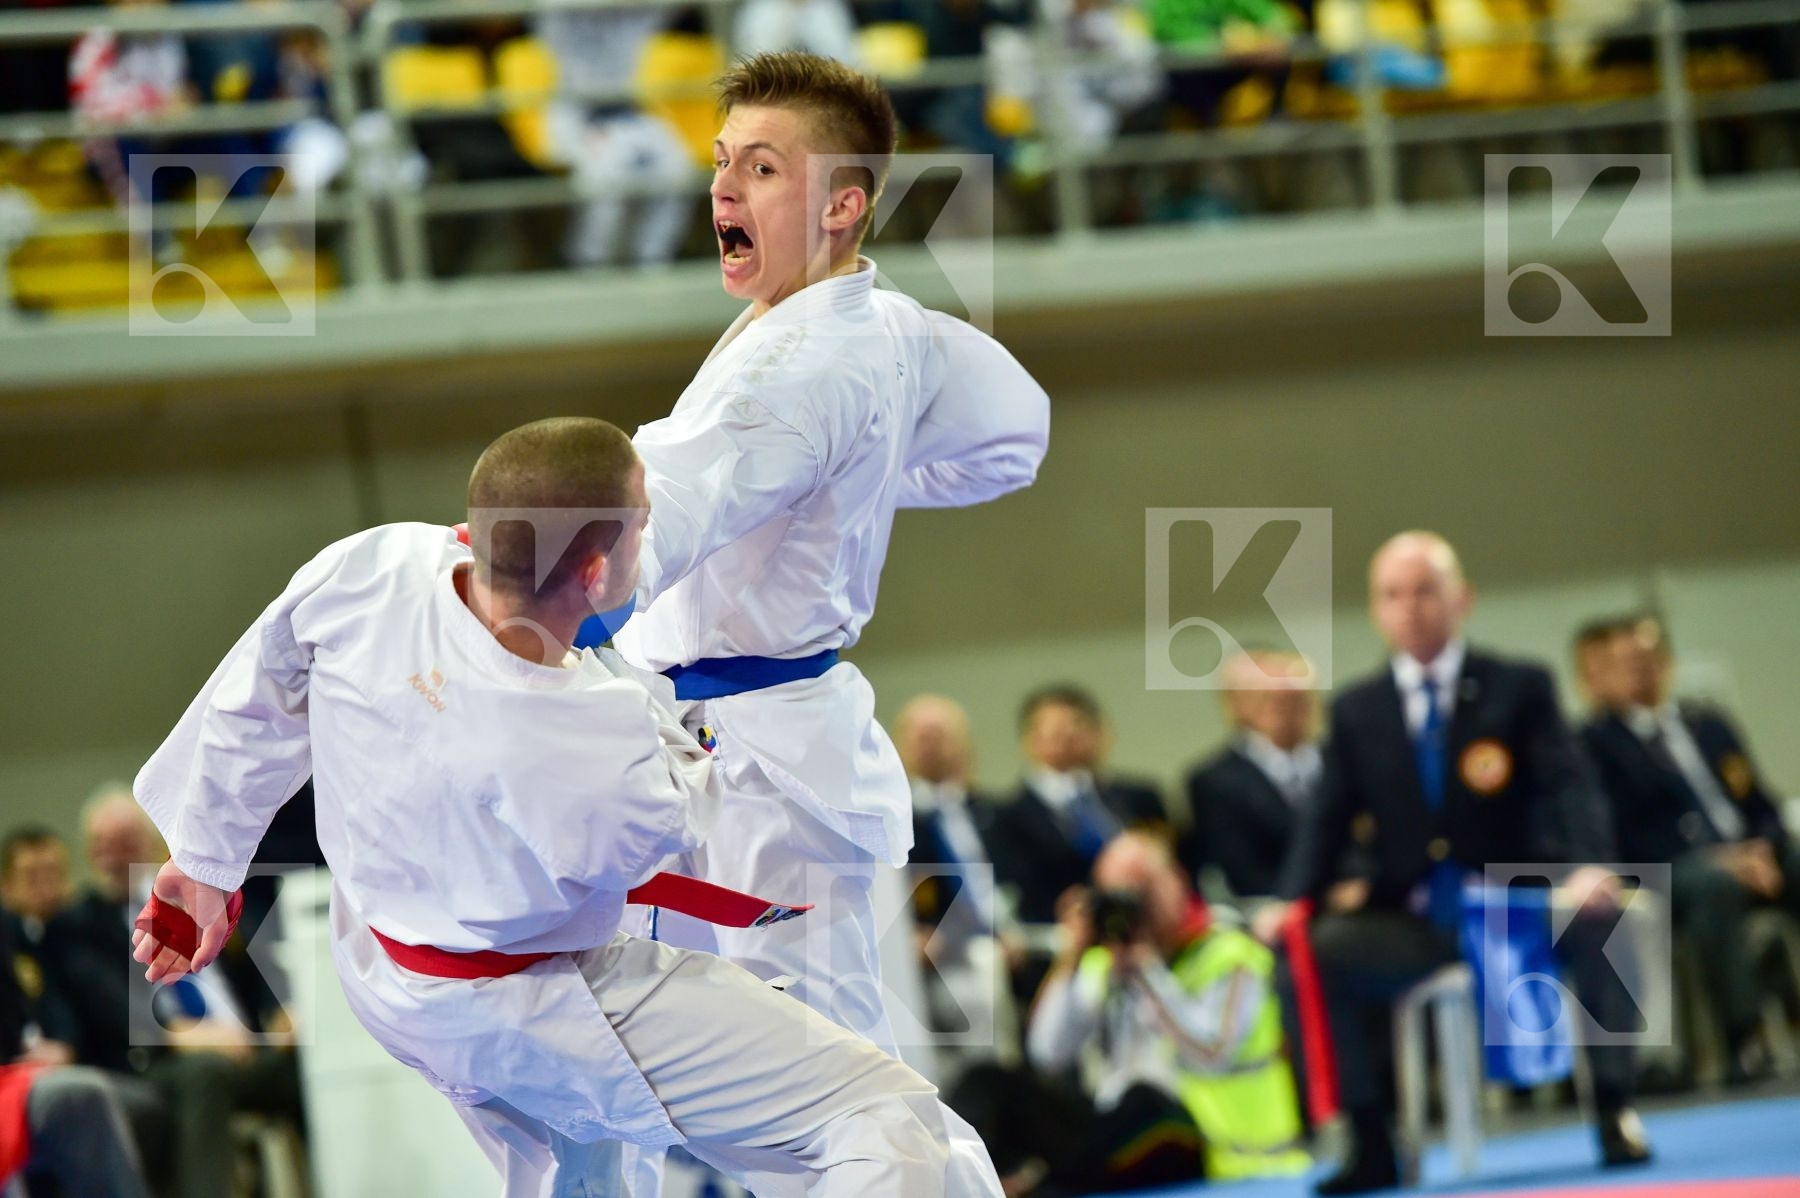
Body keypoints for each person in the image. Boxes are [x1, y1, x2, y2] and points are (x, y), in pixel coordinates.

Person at [127, 417, 991, 1198]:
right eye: (644, 523)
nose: (653, 532)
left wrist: (203, 862)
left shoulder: (374, 566)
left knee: (595, 1161)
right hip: (535, 995)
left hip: (391, 969)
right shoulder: (588, 735)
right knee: (884, 1120)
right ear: (593, 568)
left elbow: (256, 695)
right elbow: (692, 867)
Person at [1255, 531, 1650, 1195]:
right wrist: (1290, 899)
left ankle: (1616, 1110)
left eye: (1424, 591)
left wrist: (1589, 866)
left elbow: (1570, 784)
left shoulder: (1518, 687)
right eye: (1392, 595)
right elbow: (1324, 819)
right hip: (1414, 917)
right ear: (1377, 610)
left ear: (1460, 599)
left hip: (1519, 902)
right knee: (1310, 953)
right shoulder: (1358, 710)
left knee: (1609, 920)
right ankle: (1370, 1138)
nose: (1409, 607)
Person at [49, 788, 303, 1198]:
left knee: (313, 1064)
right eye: (102, 846)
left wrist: (280, 1009)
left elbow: (255, 959)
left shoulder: (194, 896)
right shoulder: (81, 923)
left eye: (124, 842)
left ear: (150, 841)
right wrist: (178, 1034)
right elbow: (104, 1000)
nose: (113, 858)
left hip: (247, 1048)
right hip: (160, 1061)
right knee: (205, 1073)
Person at [1580, 612, 1798, 1083]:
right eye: (1628, 662)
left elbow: (1760, 801)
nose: (1643, 668)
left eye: (1651, 657)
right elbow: (1621, 835)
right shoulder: (1594, 745)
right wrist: (1720, 859)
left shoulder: (1707, 724)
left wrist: (1764, 847)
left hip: (1750, 856)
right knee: (1713, 886)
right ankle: (1746, 1037)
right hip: (1670, 871)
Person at [1029, 832, 1310, 1186]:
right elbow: (1047, 1053)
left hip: (1217, 1148)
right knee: (994, 1084)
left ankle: (1046, 1184)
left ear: (1176, 881)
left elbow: (1212, 1052)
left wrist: (1147, 972)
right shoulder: (1104, 962)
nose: (1133, 908)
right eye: (1118, 896)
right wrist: (1071, 954)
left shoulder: (1230, 954)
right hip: (1122, 1137)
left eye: (1142, 889)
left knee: (1142, 1100)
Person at [895, 694, 1020, 1087]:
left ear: (964, 743)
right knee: (981, 975)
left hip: (1014, 940)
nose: (930, 743)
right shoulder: (892, 818)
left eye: (940, 733)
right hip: (940, 953)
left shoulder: (999, 814)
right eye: (920, 734)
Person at [2, 910, 152, 1198]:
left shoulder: (18, 929)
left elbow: (16, 1014)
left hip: (18, 1072)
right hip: (16, 1076)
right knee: (81, 1097)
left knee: (130, 1103)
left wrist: (62, 1046)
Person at [991, 685, 1166, 926]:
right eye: (1054, 729)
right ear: (1029, 739)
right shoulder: (1004, 817)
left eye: (1077, 724)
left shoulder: (1139, 797)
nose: (1068, 735)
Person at [1179, 651, 1329, 900]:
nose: (1285, 707)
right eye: (1268, 698)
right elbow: (1243, 872)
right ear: (1235, 704)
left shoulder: (1338, 760)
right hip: (1276, 909)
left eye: (1295, 697)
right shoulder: (1215, 781)